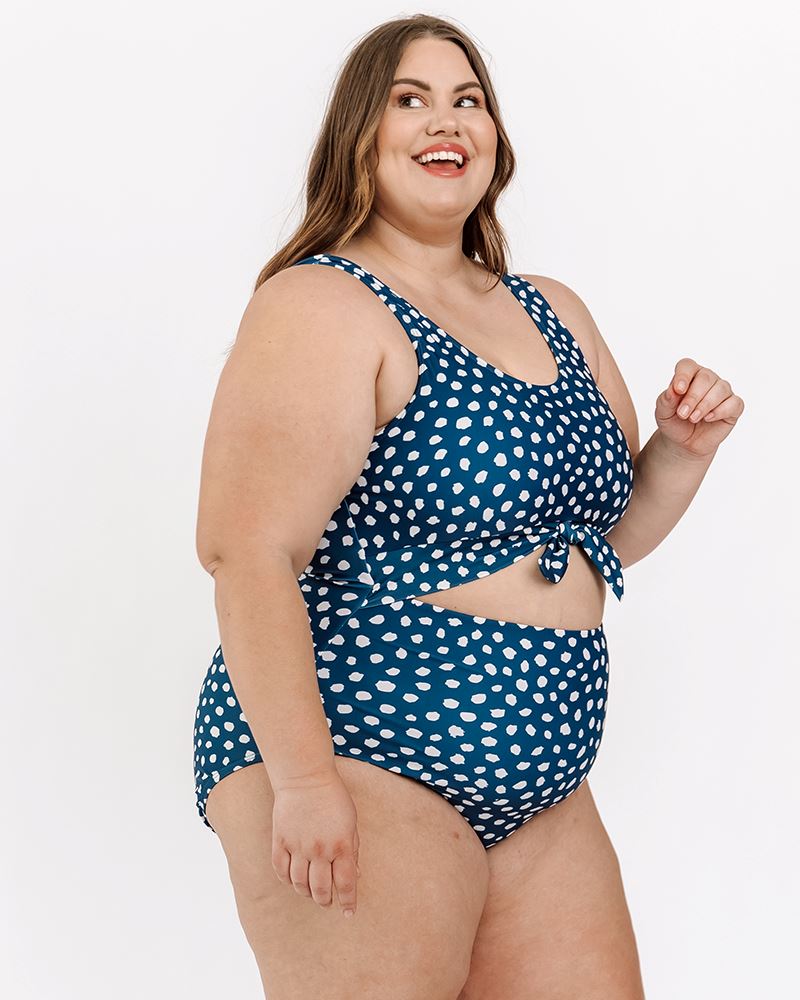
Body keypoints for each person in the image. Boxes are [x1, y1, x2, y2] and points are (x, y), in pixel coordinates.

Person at [191, 14, 744, 1000]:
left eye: (467, 99)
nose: (444, 121)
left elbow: (598, 543)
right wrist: (305, 783)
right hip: (360, 746)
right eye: (408, 100)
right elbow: (246, 551)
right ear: (357, 135)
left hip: (543, 778)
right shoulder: (323, 305)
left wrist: (681, 451)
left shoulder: (549, 308)